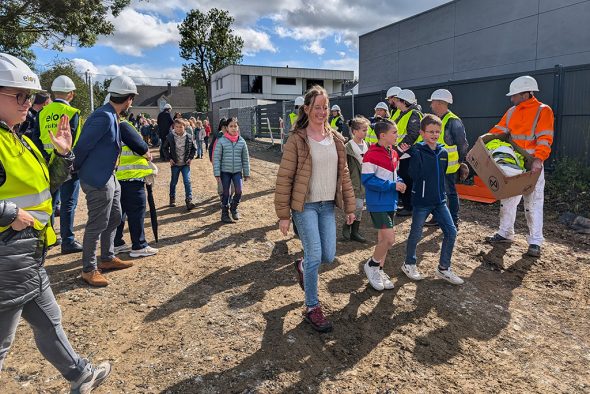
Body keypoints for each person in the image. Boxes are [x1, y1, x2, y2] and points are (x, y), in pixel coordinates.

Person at [0, 52, 111, 393]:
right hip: (7, 259)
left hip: (26, 256)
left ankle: (80, 374)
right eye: (19, 95)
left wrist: (63, 156)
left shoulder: (15, 136)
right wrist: (10, 215)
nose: (28, 103)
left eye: (30, 96)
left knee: (50, 322)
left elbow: (45, 186)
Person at [275, 85, 356, 333]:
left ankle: (301, 266)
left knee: (328, 256)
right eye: (317, 107)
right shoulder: (297, 139)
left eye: (325, 107)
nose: (322, 112)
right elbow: (285, 177)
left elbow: (344, 175)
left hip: (327, 206)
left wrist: (350, 206)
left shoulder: (337, 140)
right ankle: (312, 307)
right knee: (314, 255)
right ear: (307, 109)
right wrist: (284, 215)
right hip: (305, 206)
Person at [74, 76, 137, 287]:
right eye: (132, 99)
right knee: (97, 223)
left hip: (109, 176)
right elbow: (82, 147)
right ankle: (89, 269)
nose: (131, 104)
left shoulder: (111, 115)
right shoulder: (103, 117)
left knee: (115, 217)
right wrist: (75, 169)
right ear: (127, 99)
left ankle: (108, 258)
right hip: (98, 179)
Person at [485, 76, 554, 258]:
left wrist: (539, 160)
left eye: (514, 95)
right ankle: (505, 232)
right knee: (507, 199)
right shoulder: (512, 111)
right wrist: (483, 142)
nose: (511, 98)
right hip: (513, 163)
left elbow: (545, 138)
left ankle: (535, 241)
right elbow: (498, 131)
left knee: (533, 202)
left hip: (533, 164)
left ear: (525, 94)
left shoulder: (543, 111)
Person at [402, 114, 464, 285]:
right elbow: (413, 174)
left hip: (439, 201)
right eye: (430, 132)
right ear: (422, 133)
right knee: (416, 233)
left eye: (437, 131)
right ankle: (409, 264)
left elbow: (442, 175)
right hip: (421, 201)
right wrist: (413, 154)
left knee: (451, 232)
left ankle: (443, 268)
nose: (434, 135)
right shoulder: (417, 151)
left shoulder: (443, 152)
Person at [37, 75, 84, 255]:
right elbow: (75, 142)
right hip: (67, 166)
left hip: (47, 165)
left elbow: (36, 141)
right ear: (71, 94)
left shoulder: (42, 112)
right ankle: (68, 240)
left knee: (49, 203)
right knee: (68, 204)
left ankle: (49, 238)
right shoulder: (73, 113)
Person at [361, 119, 407, 290]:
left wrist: (400, 182)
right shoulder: (371, 155)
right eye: (394, 132)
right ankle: (371, 265)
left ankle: (379, 270)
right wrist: (392, 186)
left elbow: (395, 175)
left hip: (391, 201)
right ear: (383, 135)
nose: (397, 135)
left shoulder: (394, 153)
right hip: (377, 203)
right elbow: (367, 180)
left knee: (383, 239)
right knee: (389, 239)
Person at [113, 112, 158, 258]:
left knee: (120, 212)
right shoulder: (124, 125)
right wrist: (147, 153)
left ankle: (116, 243)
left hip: (118, 177)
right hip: (132, 177)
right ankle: (139, 245)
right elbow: (140, 145)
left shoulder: (108, 127)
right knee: (136, 211)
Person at [423, 89, 469, 227]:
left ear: (439, 103)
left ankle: (453, 221)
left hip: (448, 166)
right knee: (437, 193)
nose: (431, 106)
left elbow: (462, 144)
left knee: (450, 193)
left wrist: (462, 163)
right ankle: (437, 218)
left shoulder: (453, 121)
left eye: (433, 103)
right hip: (435, 165)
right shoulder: (437, 121)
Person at [213, 117, 251, 223]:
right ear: (227, 128)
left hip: (237, 172)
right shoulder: (221, 141)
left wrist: (247, 173)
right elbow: (217, 158)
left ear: (238, 127)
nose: (233, 128)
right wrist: (217, 173)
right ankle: (224, 214)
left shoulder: (242, 142)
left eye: (235, 126)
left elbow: (245, 158)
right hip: (225, 172)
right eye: (231, 126)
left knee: (239, 190)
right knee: (226, 192)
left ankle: (234, 208)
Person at [394, 89, 423, 217]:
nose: (396, 103)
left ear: (404, 102)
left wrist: (398, 150)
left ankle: (409, 207)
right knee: (404, 177)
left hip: (409, 153)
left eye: (398, 100)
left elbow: (412, 135)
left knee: (407, 179)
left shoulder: (413, 114)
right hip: (405, 153)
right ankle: (406, 205)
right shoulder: (405, 113)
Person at [343, 116, 370, 242]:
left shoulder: (367, 145)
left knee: (359, 206)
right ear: (354, 131)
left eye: (366, 130)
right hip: (354, 181)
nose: (366, 132)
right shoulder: (347, 147)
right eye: (363, 130)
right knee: (357, 205)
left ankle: (354, 231)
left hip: (364, 181)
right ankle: (348, 226)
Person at [162, 118, 197, 210]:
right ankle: (172, 198)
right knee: (174, 182)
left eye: (180, 127)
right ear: (174, 127)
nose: (178, 129)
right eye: (176, 127)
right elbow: (164, 148)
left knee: (187, 181)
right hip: (175, 164)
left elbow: (194, 148)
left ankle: (189, 200)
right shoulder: (170, 136)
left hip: (185, 164)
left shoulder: (189, 137)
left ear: (184, 127)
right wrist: (169, 158)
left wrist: (190, 158)